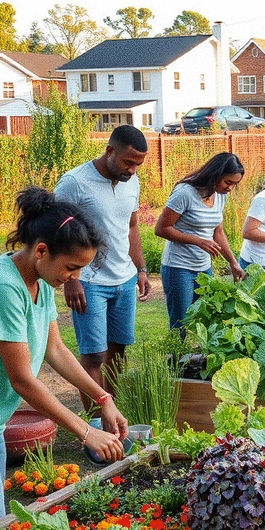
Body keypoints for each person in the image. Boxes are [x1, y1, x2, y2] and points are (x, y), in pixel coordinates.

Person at [0, 188, 129, 522]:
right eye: (71, 267)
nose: (74, 278)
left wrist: (102, 398)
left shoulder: (38, 280)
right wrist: (86, 431)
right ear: (41, 250)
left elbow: (56, 350)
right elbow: (22, 380)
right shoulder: (3, 287)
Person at [54, 125, 152, 408]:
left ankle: (114, 412)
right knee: (95, 355)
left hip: (123, 280)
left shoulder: (131, 182)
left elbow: (131, 226)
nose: (133, 170)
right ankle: (97, 421)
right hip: (89, 282)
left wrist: (141, 269)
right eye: (128, 162)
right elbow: (56, 231)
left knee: (118, 351)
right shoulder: (75, 182)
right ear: (110, 151)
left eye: (138, 164)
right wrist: (71, 279)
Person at [155, 152, 246, 332]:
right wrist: (198, 241)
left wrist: (233, 263)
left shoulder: (219, 195)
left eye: (235, 185)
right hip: (178, 267)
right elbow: (161, 228)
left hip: (203, 268)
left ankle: (197, 360)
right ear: (215, 174)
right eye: (228, 182)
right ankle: (175, 359)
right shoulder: (185, 193)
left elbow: (218, 232)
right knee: (180, 324)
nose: (230, 188)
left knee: (206, 319)